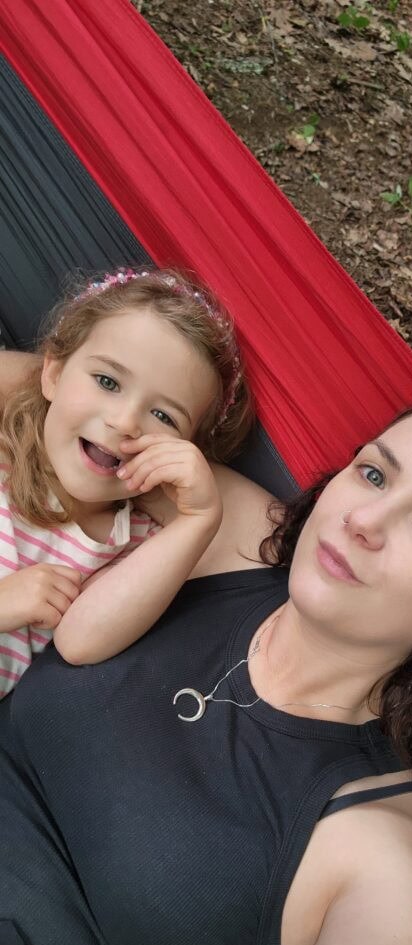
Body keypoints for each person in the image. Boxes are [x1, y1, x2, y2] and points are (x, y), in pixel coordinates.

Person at [0, 394, 412, 945]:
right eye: (375, 473)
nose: (366, 520)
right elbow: (52, 394)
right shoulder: (228, 531)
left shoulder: (380, 870)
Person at [0, 267, 253, 691]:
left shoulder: (137, 544)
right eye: (107, 381)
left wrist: (198, 519)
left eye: (163, 416)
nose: (125, 422)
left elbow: (80, 641)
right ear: (54, 374)